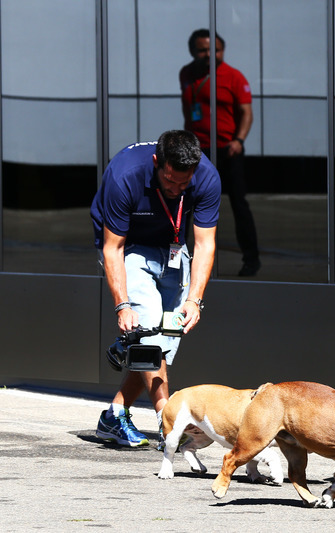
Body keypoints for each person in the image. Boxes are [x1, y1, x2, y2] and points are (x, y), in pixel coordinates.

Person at [91, 130, 221, 446]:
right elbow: (113, 248)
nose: (177, 190)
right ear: (156, 163)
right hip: (130, 247)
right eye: (169, 181)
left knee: (161, 340)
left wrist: (195, 299)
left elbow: (205, 243)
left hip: (175, 250)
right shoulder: (126, 174)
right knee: (148, 330)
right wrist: (122, 305)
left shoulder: (206, 177)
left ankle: (114, 415)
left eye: (183, 184)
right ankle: (170, 422)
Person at [180, 29, 259, 277]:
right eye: (203, 50)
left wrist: (239, 140)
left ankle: (251, 259)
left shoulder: (233, 76)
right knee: (186, 204)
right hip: (198, 151)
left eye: (215, 49)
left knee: (238, 204)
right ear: (193, 51)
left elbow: (246, 112)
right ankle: (180, 257)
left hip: (228, 150)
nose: (210, 54)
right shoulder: (187, 73)